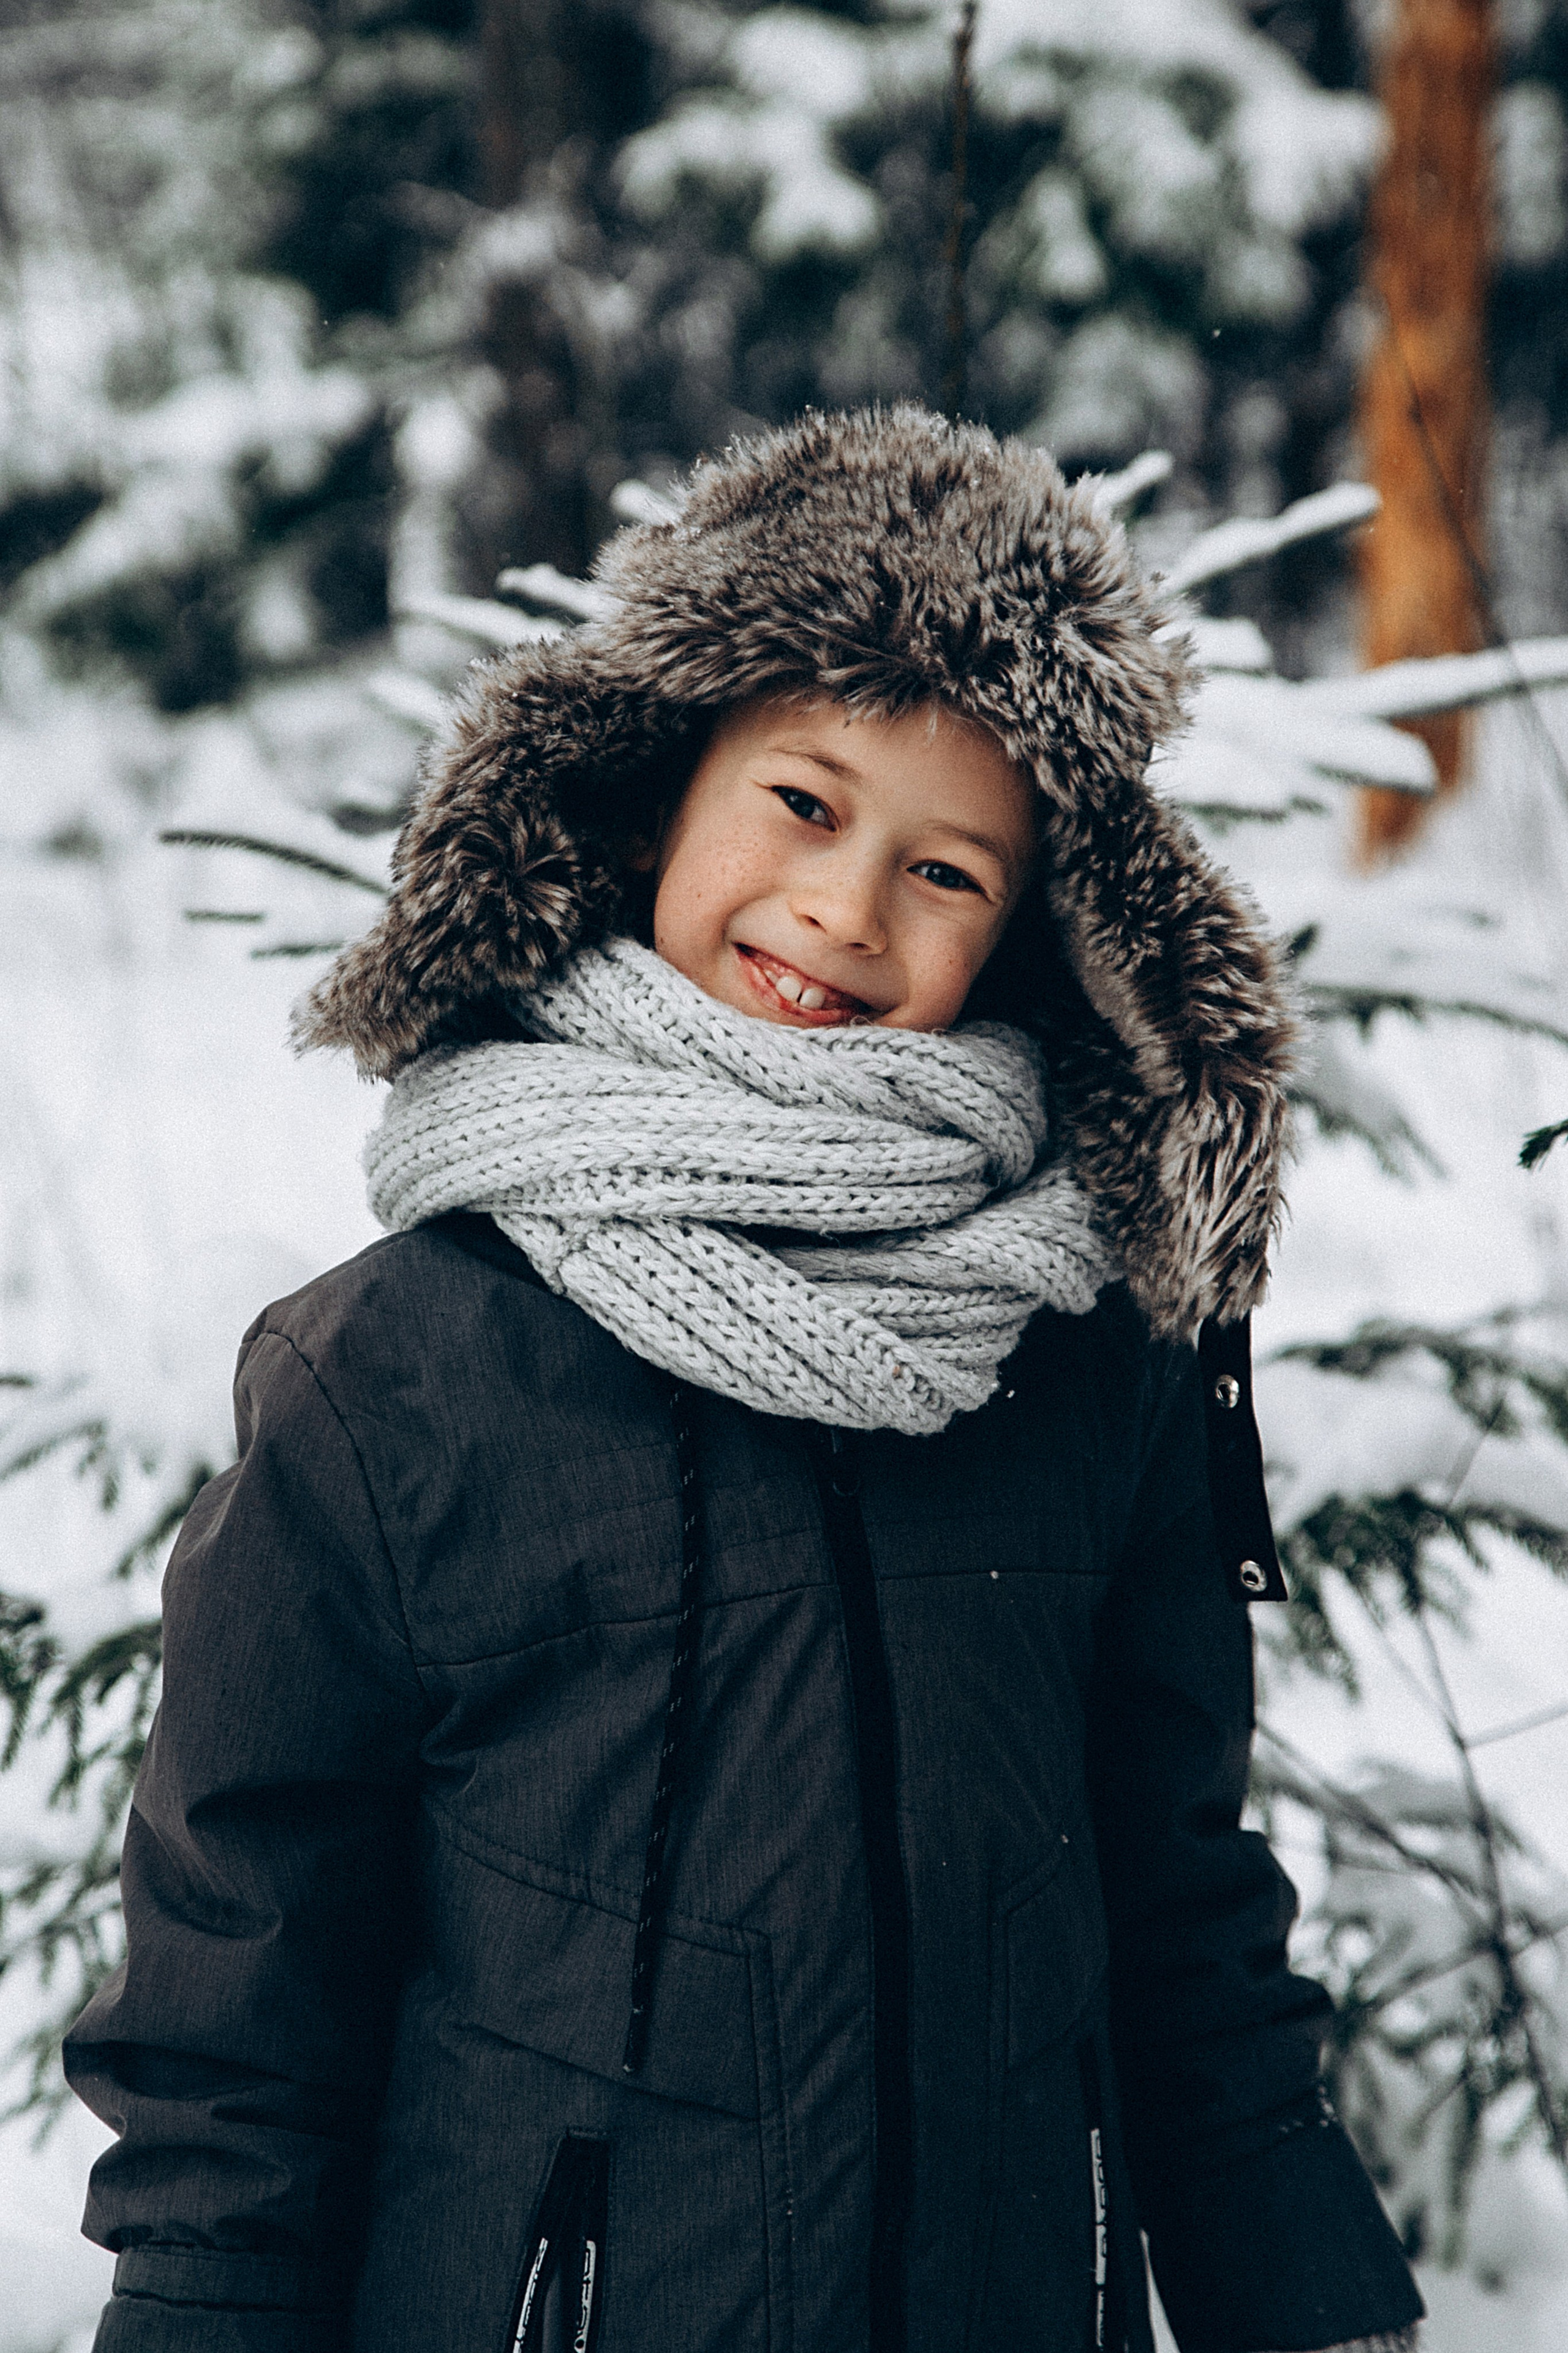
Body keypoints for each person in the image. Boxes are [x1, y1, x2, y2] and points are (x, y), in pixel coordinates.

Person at [65, 407, 1425, 2353]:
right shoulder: (396, 1372)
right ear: (652, 796)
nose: (849, 913)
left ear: (1028, 931)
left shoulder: (1086, 1364)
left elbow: (1178, 1901)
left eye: (947, 869)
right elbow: (241, 2016)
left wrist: (1303, 2289)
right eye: (802, 801)